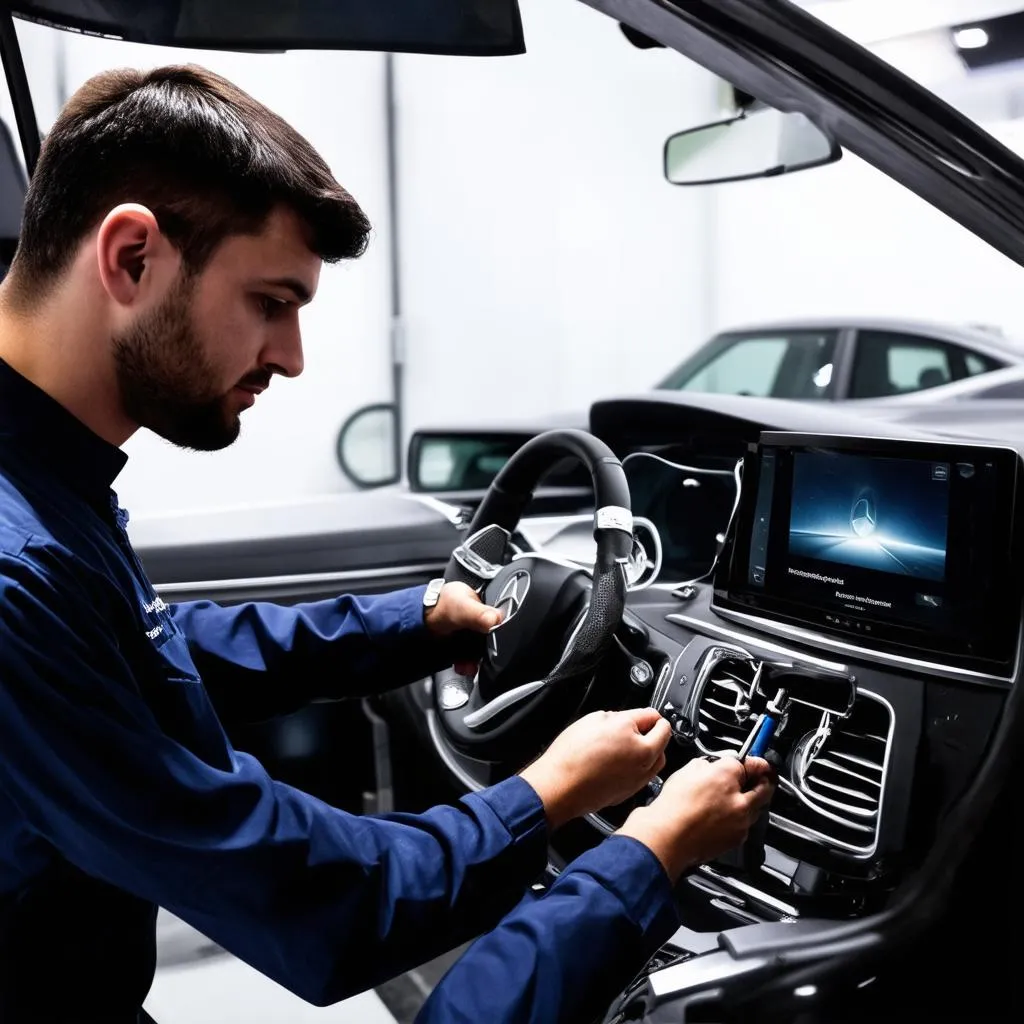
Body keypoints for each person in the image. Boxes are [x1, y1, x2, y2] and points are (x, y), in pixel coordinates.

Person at [0, 64, 775, 1023]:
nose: (290, 356)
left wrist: (410, 625)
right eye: (271, 302)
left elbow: (148, 653)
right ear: (130, 259)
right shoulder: (14, 571)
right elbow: (327, 905)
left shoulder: (44, 490)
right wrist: (596, 823)